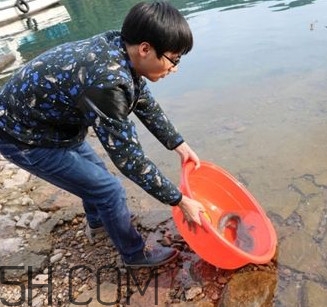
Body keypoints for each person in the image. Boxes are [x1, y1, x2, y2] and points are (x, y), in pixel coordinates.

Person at [0, 1, 205, 268]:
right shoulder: (106, 84)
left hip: (52, 126)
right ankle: (134, 256)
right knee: (109, 191)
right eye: (173, 59)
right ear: (145, 49)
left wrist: (177, 143)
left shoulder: (117, 47)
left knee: (95, 172)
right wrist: (179, 201)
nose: (174, 68)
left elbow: (141, 99)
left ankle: (98, 224)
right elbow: (130, 161)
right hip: (22, 136)